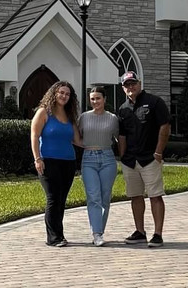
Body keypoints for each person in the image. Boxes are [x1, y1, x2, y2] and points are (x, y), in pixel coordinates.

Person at [117, 70, 171, 248]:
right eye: (127, 85)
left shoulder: (154, 102)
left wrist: (158, 152)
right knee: (135, 196)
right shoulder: (123, 109)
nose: (130, 87)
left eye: (133, 84)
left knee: (155, 195)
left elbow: (165, 127)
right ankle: (140, 232)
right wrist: (122, 156)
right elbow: (122, 135)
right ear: (123, 88)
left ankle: (157, 234)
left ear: (139, 84)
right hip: (130, 160)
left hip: (149, 158)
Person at [29, 80, 81, 246]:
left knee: (61, 200)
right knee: (53, 198)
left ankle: (59, 235)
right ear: (54, 93)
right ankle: (53, 238)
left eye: (67, 94)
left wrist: (102, 143)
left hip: (68, 162)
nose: (64, 96)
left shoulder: (70, 115)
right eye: (61, 93)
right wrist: (38, 158)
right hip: (48, 162)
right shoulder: (44, 112)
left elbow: (77, 140)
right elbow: (34, 136)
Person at [77, 85, 122, 247]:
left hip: (108, 159)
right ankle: (97, 233)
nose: (95, 101)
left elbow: (120, 139)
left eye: (98, 98)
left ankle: (99, 231)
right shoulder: (83, 117)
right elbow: (75, 136)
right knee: (93, 197)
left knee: (105, 197)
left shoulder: (112, 118)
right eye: (92, 99)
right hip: (88, 159)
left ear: (104, 99)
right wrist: (86, 146)